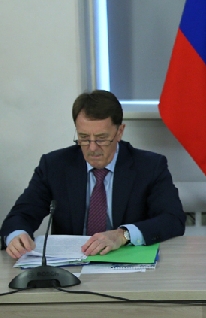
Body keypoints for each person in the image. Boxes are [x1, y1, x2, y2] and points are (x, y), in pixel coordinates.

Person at [1, 90, 186, 258]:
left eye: (101, 138)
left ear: (120, 132)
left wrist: (123, 235)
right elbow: (21, 215)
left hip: (127, 266)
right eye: (84, 138)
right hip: (70, 267)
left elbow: (173, 219)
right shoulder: (55, 165)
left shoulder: (149, 166)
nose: (92, 148)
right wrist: (17, 235)